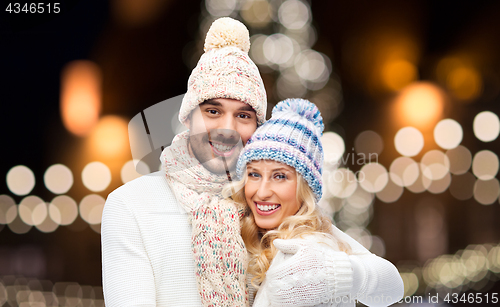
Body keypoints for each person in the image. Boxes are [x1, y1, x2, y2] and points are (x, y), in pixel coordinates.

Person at [102, 17, 403, 307]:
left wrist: (341, 274)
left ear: (257, 126)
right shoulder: (132, 205)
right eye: (213, 111)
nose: (228, 128)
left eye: (243, 115)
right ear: (188, 116)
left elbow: (390, 286)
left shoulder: (263, 199)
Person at [224, 98, 404, 306]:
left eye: (280, 176)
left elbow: (392, 285)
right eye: (254, 175)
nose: (262, 192)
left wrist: (337, 273)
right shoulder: (235, 233)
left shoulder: (313, 251)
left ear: (305, 189)